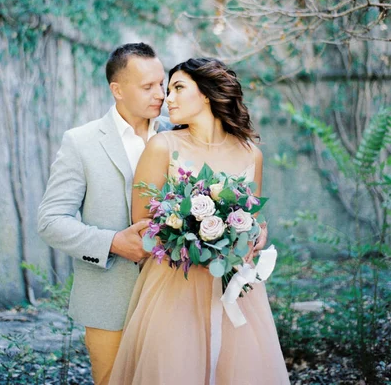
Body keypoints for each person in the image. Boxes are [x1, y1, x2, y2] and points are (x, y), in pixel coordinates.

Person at [109, 57, 289, 385]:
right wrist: (195, 238)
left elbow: (254, 218)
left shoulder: (251, 153)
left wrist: (256, 234)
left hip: (235, 285)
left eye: (178, 88)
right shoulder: (162, 146)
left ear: (206, 94)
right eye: (168, 89)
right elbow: (142, 224)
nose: (168, 98)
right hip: (176, 283)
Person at [37, 42, 172, 385]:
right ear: (117, 90)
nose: (160, 94)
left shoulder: (180, 135)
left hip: (175, 294)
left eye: (162, 83)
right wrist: (112, 242)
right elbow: (51, 221)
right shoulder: (80, 142)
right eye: (147, 87)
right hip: (108, 299)